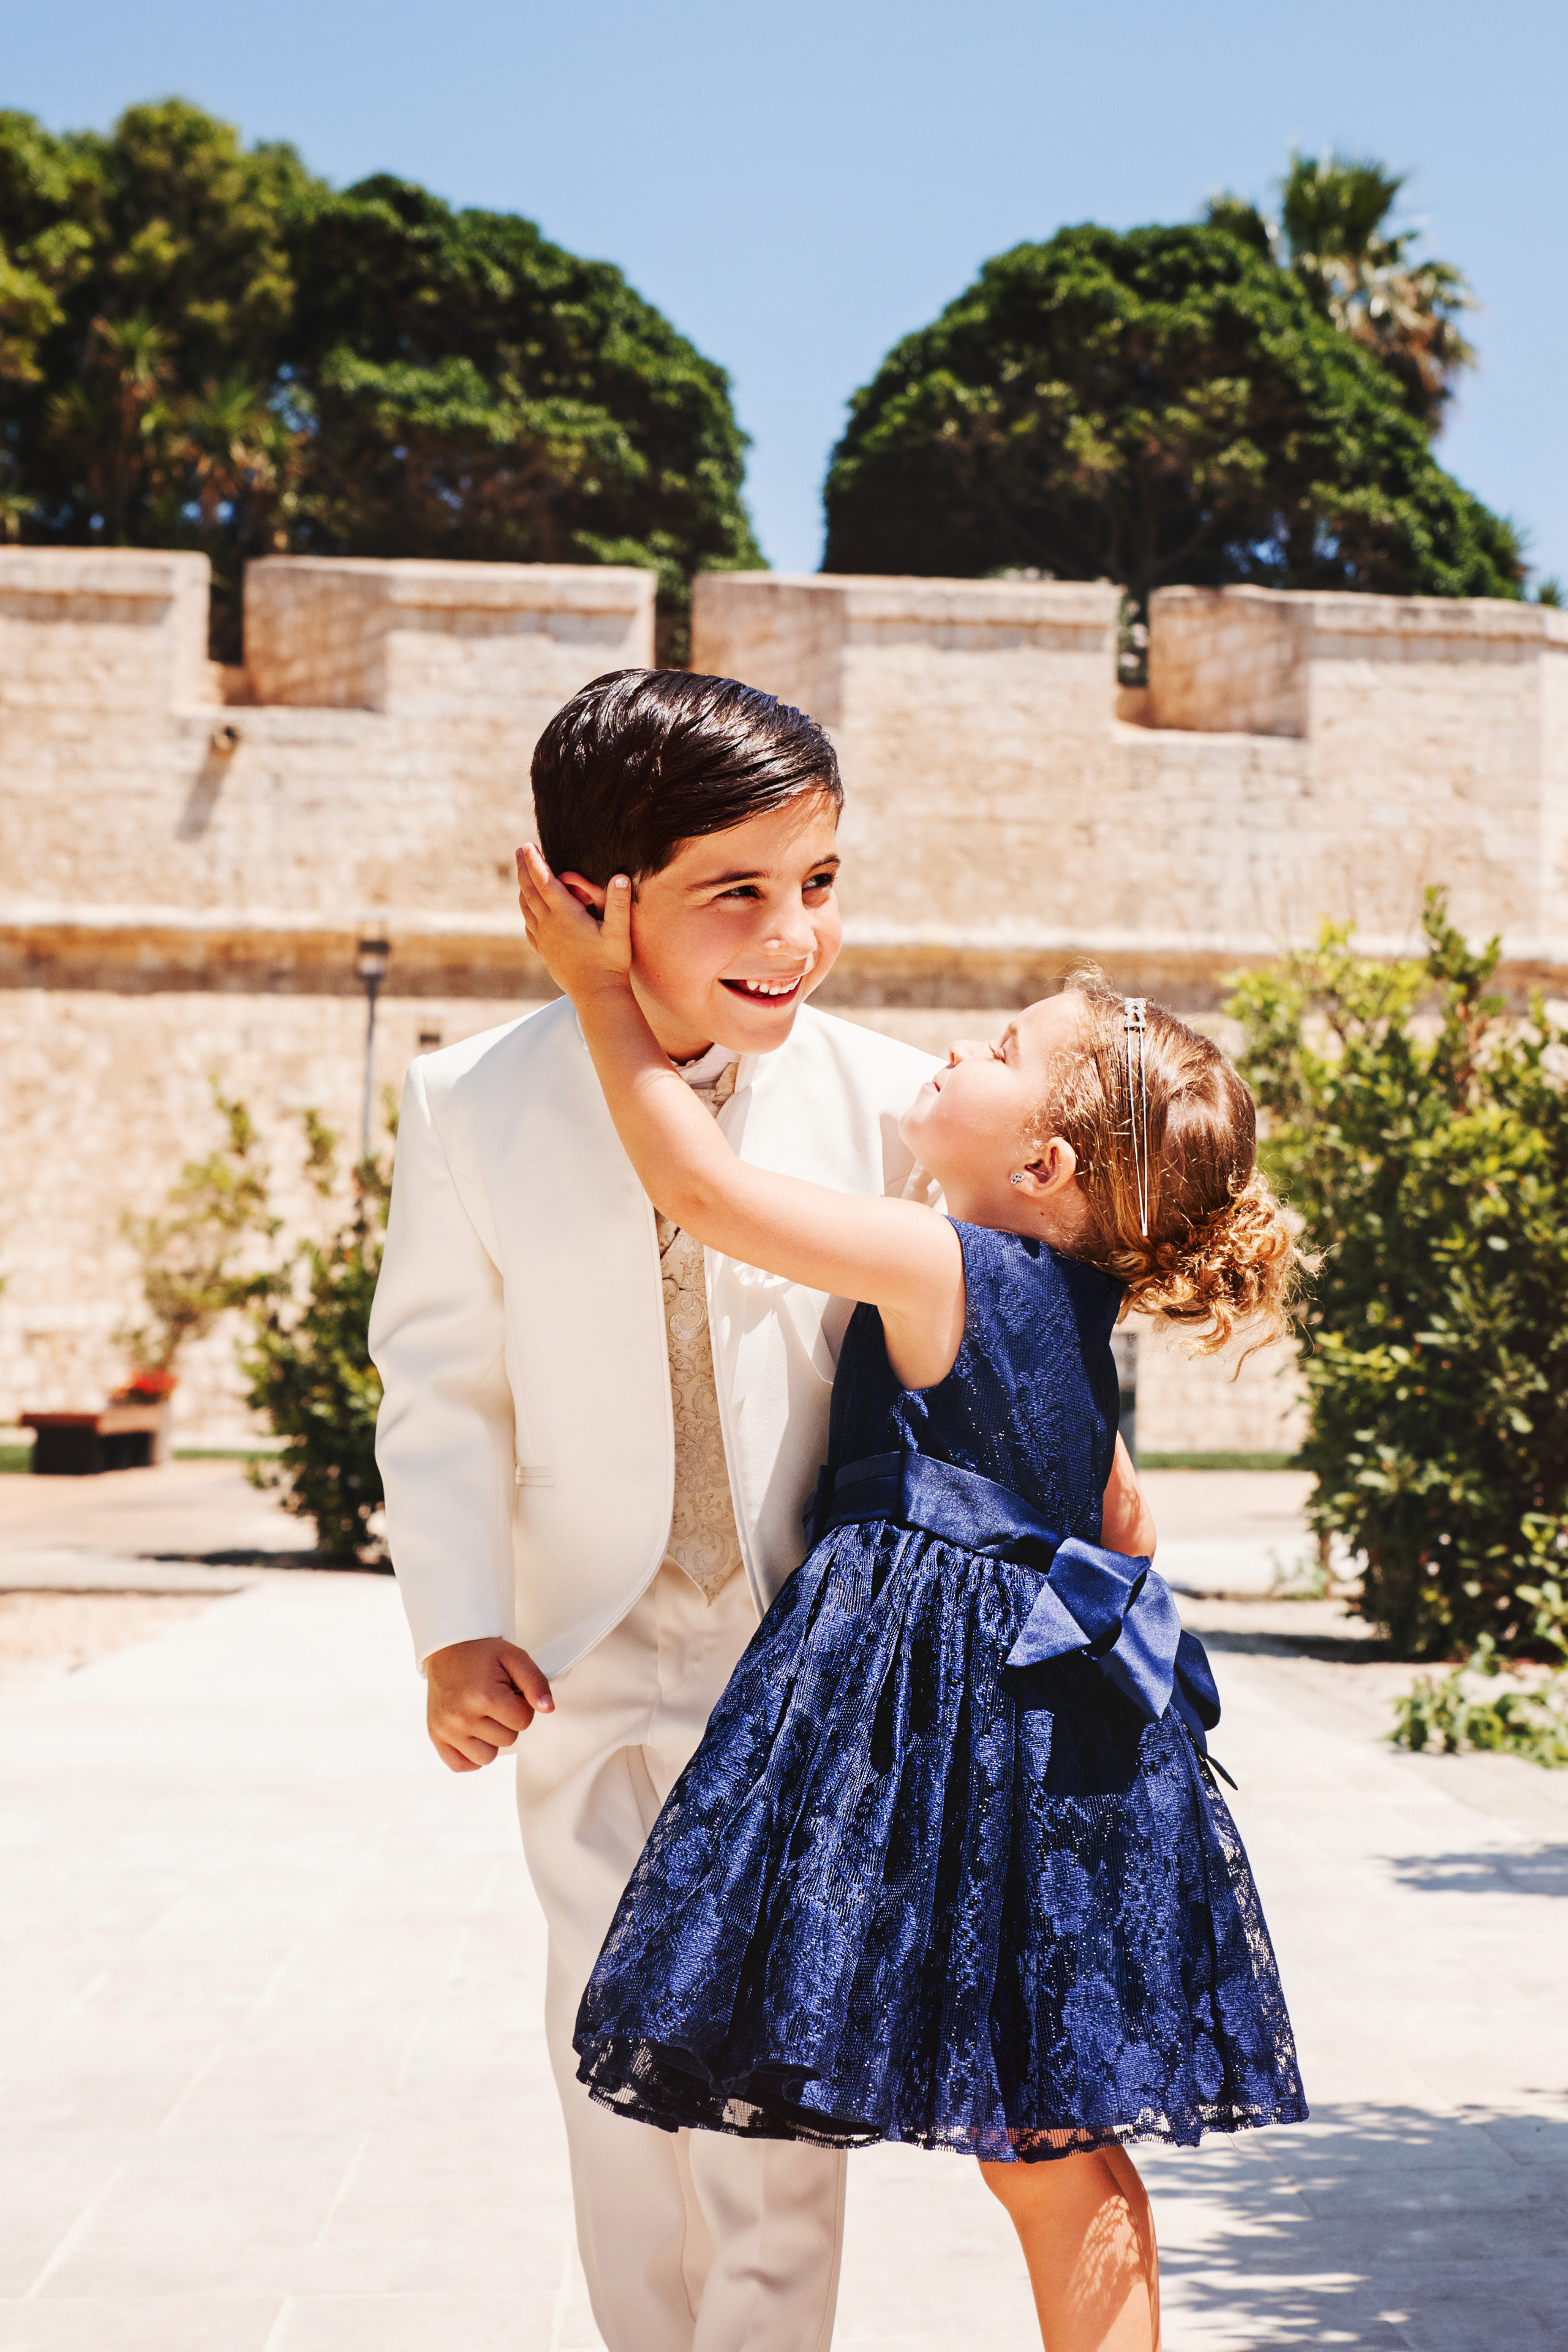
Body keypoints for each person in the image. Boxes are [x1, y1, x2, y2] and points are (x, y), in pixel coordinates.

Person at [370, 667, 1153, 2352]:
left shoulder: (887, 1102)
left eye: (821, 883)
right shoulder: (470, 1105)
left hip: (817, 1688)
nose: (795, 935)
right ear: (598, 901)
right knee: (615, 2081)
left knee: (781, 2120)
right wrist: (454, 1627)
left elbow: (1032, 1359)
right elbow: (439, 1392)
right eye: (740, 891)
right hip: (584, 1663)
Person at [514, 842, 1311, 2352]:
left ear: (1042, 1167)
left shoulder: (934, 1259)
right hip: (1054, 1740)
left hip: (919, 1731)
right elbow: (1122, 1519)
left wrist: (596, 999)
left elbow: (700, 1185)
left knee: (998, 2125)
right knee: (1054, 2147)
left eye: (1001, 1052)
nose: (960, 1043)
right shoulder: (1078, 1316)